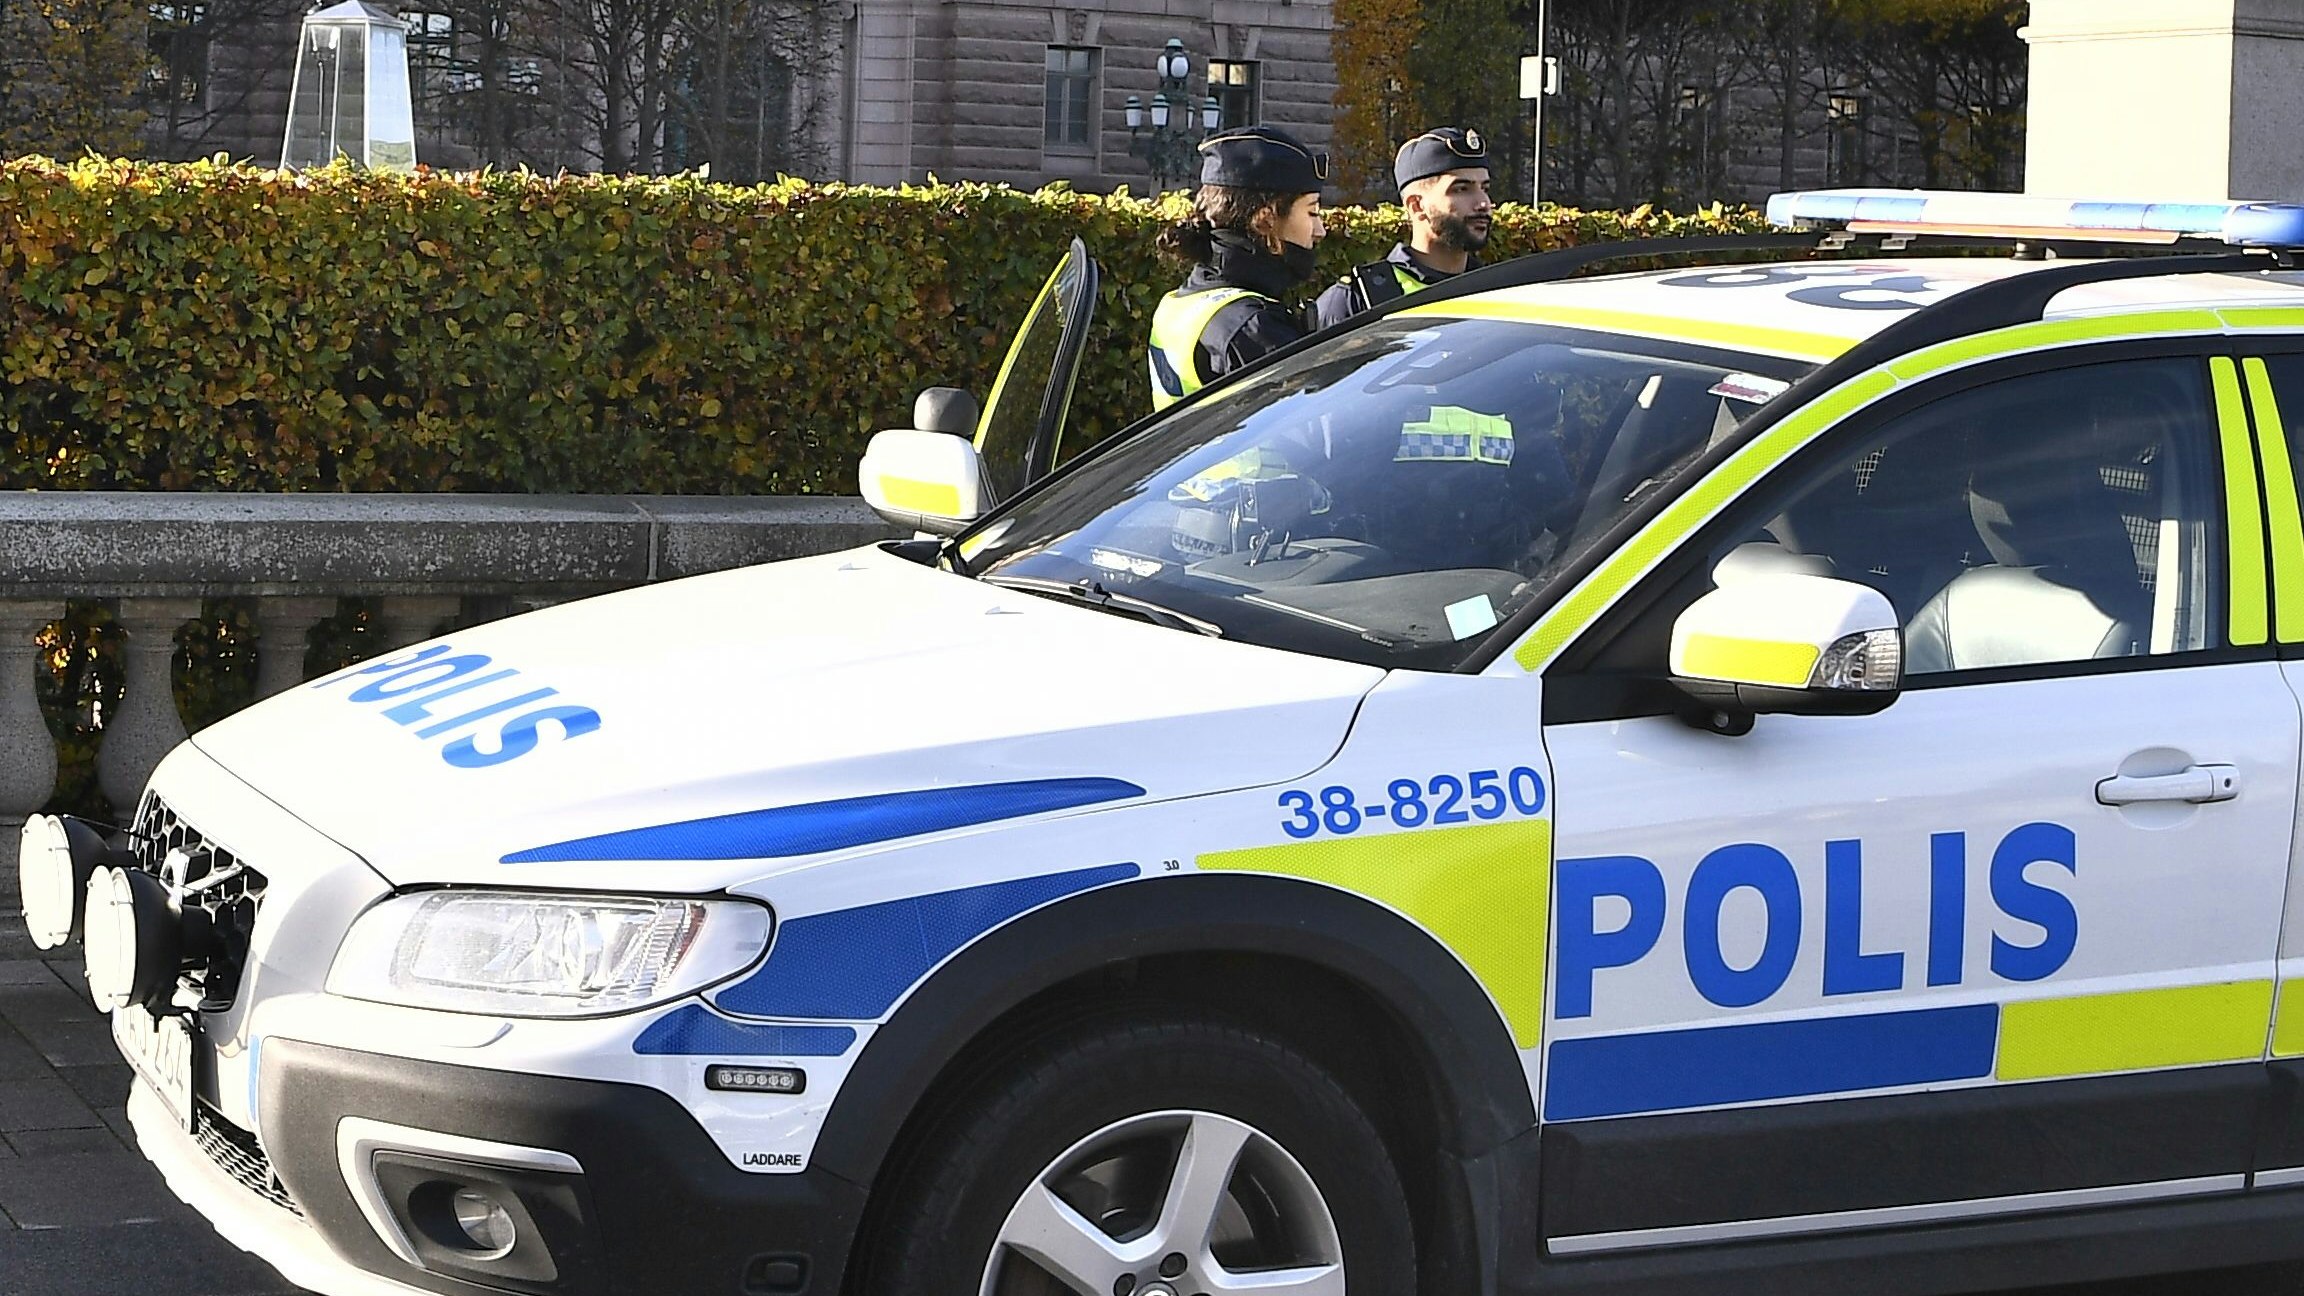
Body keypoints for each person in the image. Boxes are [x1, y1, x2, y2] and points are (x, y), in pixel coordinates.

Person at [1148, 125, 1329, 411]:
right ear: (1265, 218)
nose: (1320, 230)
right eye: (1312, 212)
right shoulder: (1253, 328)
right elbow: (1321, 434)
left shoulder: (1180, 303)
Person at [1311, 127, 1493, 332]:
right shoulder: (1358, 301)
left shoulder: (1499, 290)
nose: (1483, 203)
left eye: (1484, 189)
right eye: (1462, 189)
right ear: (1416, 206)